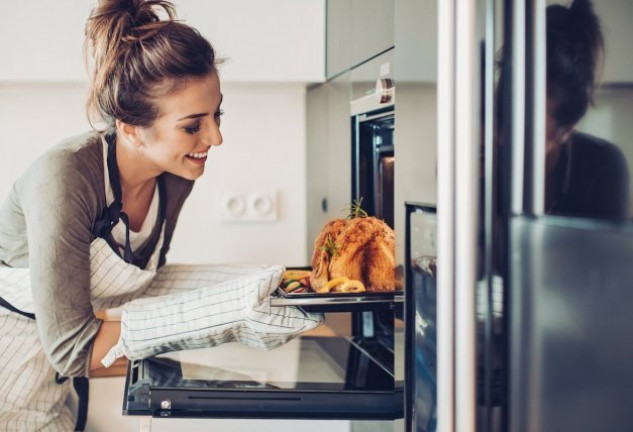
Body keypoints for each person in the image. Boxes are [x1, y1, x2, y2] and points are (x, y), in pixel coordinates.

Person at [0, 1, 321, 430]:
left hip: (56, 395)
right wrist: (223, 317)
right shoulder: (66, 177)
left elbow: (142, 289)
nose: (215, 137)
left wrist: (277, 286)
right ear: (131, 128)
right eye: (193, 125)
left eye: (217, 115)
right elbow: (74, 350)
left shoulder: (175, 177)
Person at [543, 0, 629, 219]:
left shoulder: (601, 168)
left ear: (565, 131)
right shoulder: (480, 157)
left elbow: (602, 253)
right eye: (500, 114)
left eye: (525, 129)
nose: (502, 137)